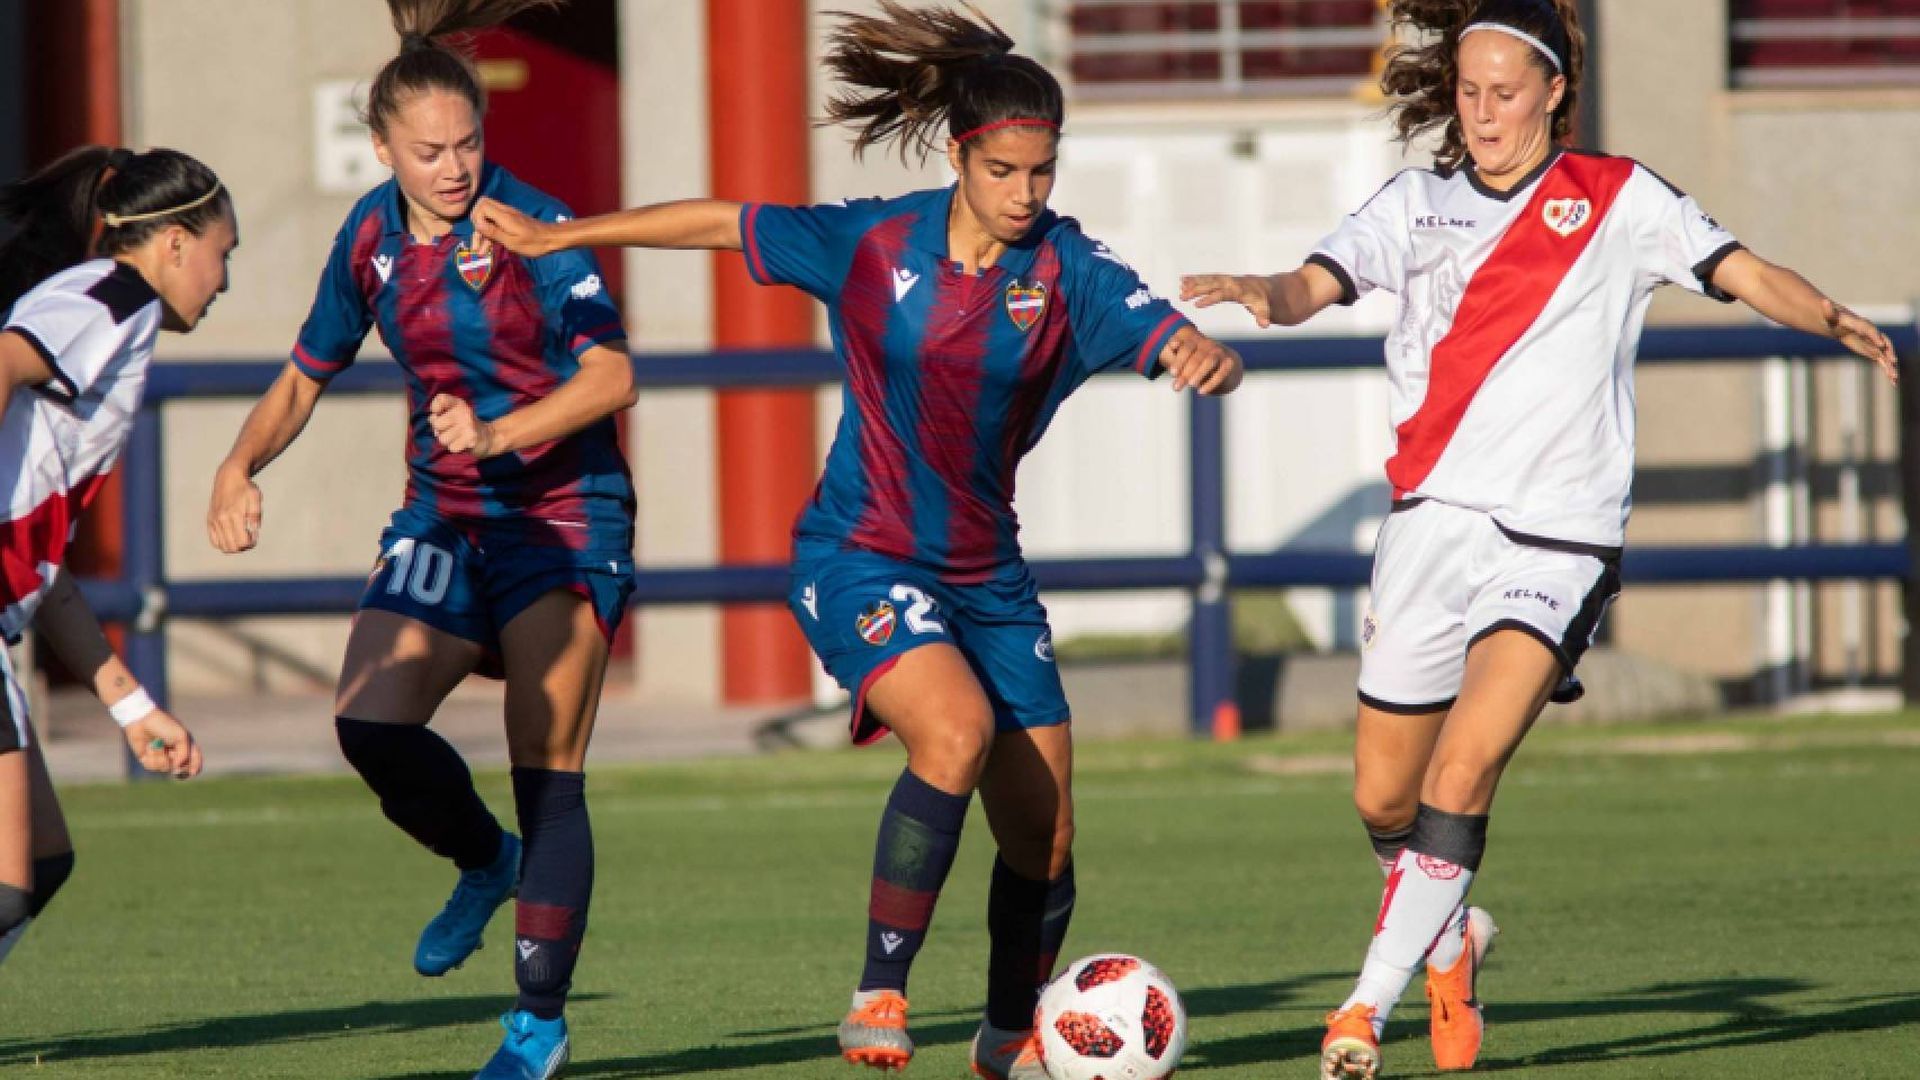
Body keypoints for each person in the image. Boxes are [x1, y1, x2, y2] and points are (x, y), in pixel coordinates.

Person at [473, 3, 1243, 1075]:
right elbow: (723, 221)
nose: (1028, 194)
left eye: (1044, 171)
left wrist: (1204, 355)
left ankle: (1009, 1038)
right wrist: (567, 234)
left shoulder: (1068, 272)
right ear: (959, 154)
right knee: (955, 733)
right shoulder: (875, 243)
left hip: (990, 576)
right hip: (859, 553)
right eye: (1008, 171)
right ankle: (880, 991)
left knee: (1045, 836)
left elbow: (1170, 333)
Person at [1180, 1, 1899, 1076]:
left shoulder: (1617, 197)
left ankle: (1361, 1014)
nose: (1483, 113)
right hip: (1430, 529)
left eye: (1505, 93)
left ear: (1556, 92)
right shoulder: (1415, 203)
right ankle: (1448, 926)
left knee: (1462, 772)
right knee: (1385, 797)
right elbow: (1313, 283)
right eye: (1468, 93)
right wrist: (1262, 293)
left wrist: (1830, 313)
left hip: (1560, 538)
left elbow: (1745, 272)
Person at [206, 2, 635, 1075]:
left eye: (469, 144)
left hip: (562, 518)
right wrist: (235, 465)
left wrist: (497, 431)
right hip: (445, 515)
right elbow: (307, 375)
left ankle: (536, 1025)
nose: (455, 168)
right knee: (369, 724)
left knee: (550, 770)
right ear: (384, 148)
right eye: (430, 150)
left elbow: (612, 377)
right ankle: (482, 861)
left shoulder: (531, 226)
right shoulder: (367, 237)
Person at [0, 144, 228, 967]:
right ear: (174, 243)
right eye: (221, 253)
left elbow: (44, 570)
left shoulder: (112, 311)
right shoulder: (113, 296)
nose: (223, 279)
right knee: (8, 884)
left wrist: (132, 708)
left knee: (43, 866)